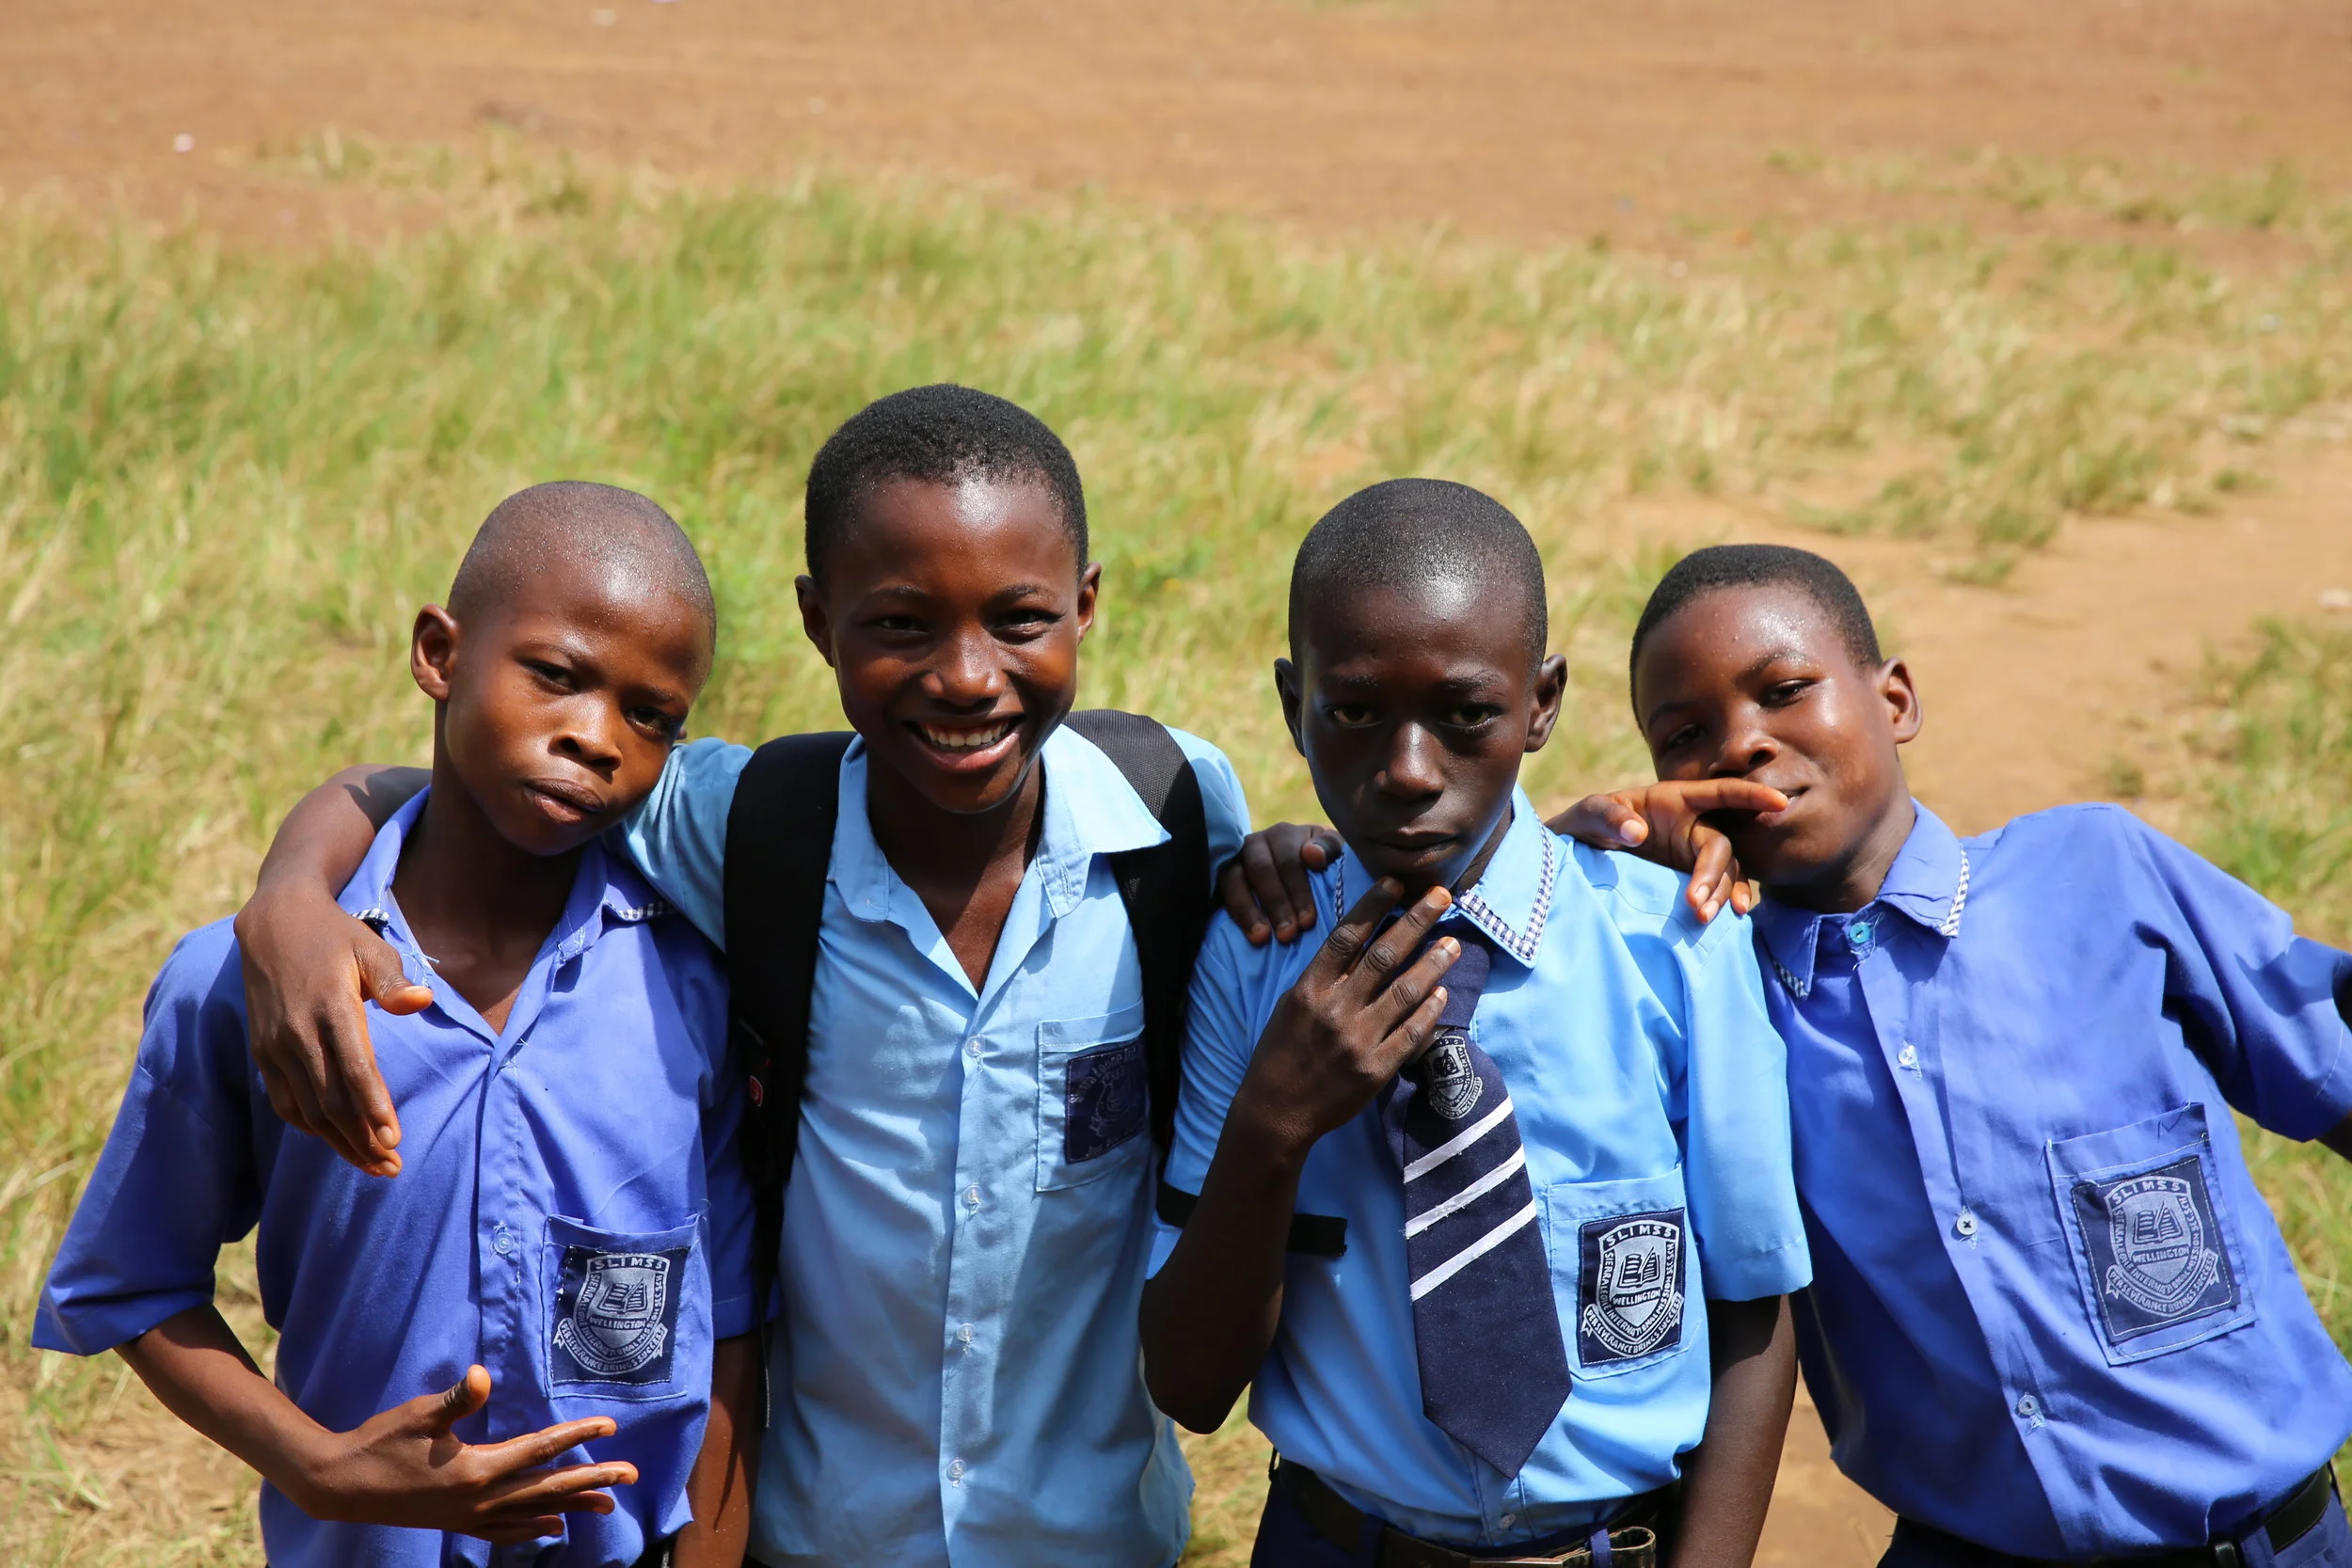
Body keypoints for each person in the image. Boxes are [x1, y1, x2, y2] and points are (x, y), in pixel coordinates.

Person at [226, 386, 1251, 1568]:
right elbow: (496, 769)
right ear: (818, 621)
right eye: (902, 624)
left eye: (1020, 618)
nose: (968, 678)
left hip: (1096, 1536)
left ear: (1086, 602)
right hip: (824, 1535)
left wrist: (1278, 855)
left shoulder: (1173, 816)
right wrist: (292, 894)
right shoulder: (751, 827)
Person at [1559, 543, 2352, 1565]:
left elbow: (2332, 1069)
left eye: (1785, 690)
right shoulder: (1711, 997)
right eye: (1685, 735)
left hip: (2265, 1543)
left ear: (1895, 700)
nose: (1741, 743)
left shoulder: (2098, 876)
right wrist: (1580, 857)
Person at [34, 483, 762, 1568]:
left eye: (650, 715)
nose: (596, 736)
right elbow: (134, 1283)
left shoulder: (692, 980)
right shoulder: (249, 980)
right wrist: (316, 1466)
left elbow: (731, 1326)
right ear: (438, 654)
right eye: (555, 675)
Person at [1142, 481, 1811, 1568]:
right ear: (1292, 703)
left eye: (1464, 715)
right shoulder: (1257, 954)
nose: (1408, 770)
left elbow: (1752, 1306)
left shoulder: (1672, 942)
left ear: (1540, 704)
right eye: (1352, 712)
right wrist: (1275, 1123)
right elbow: (1190, 1383)